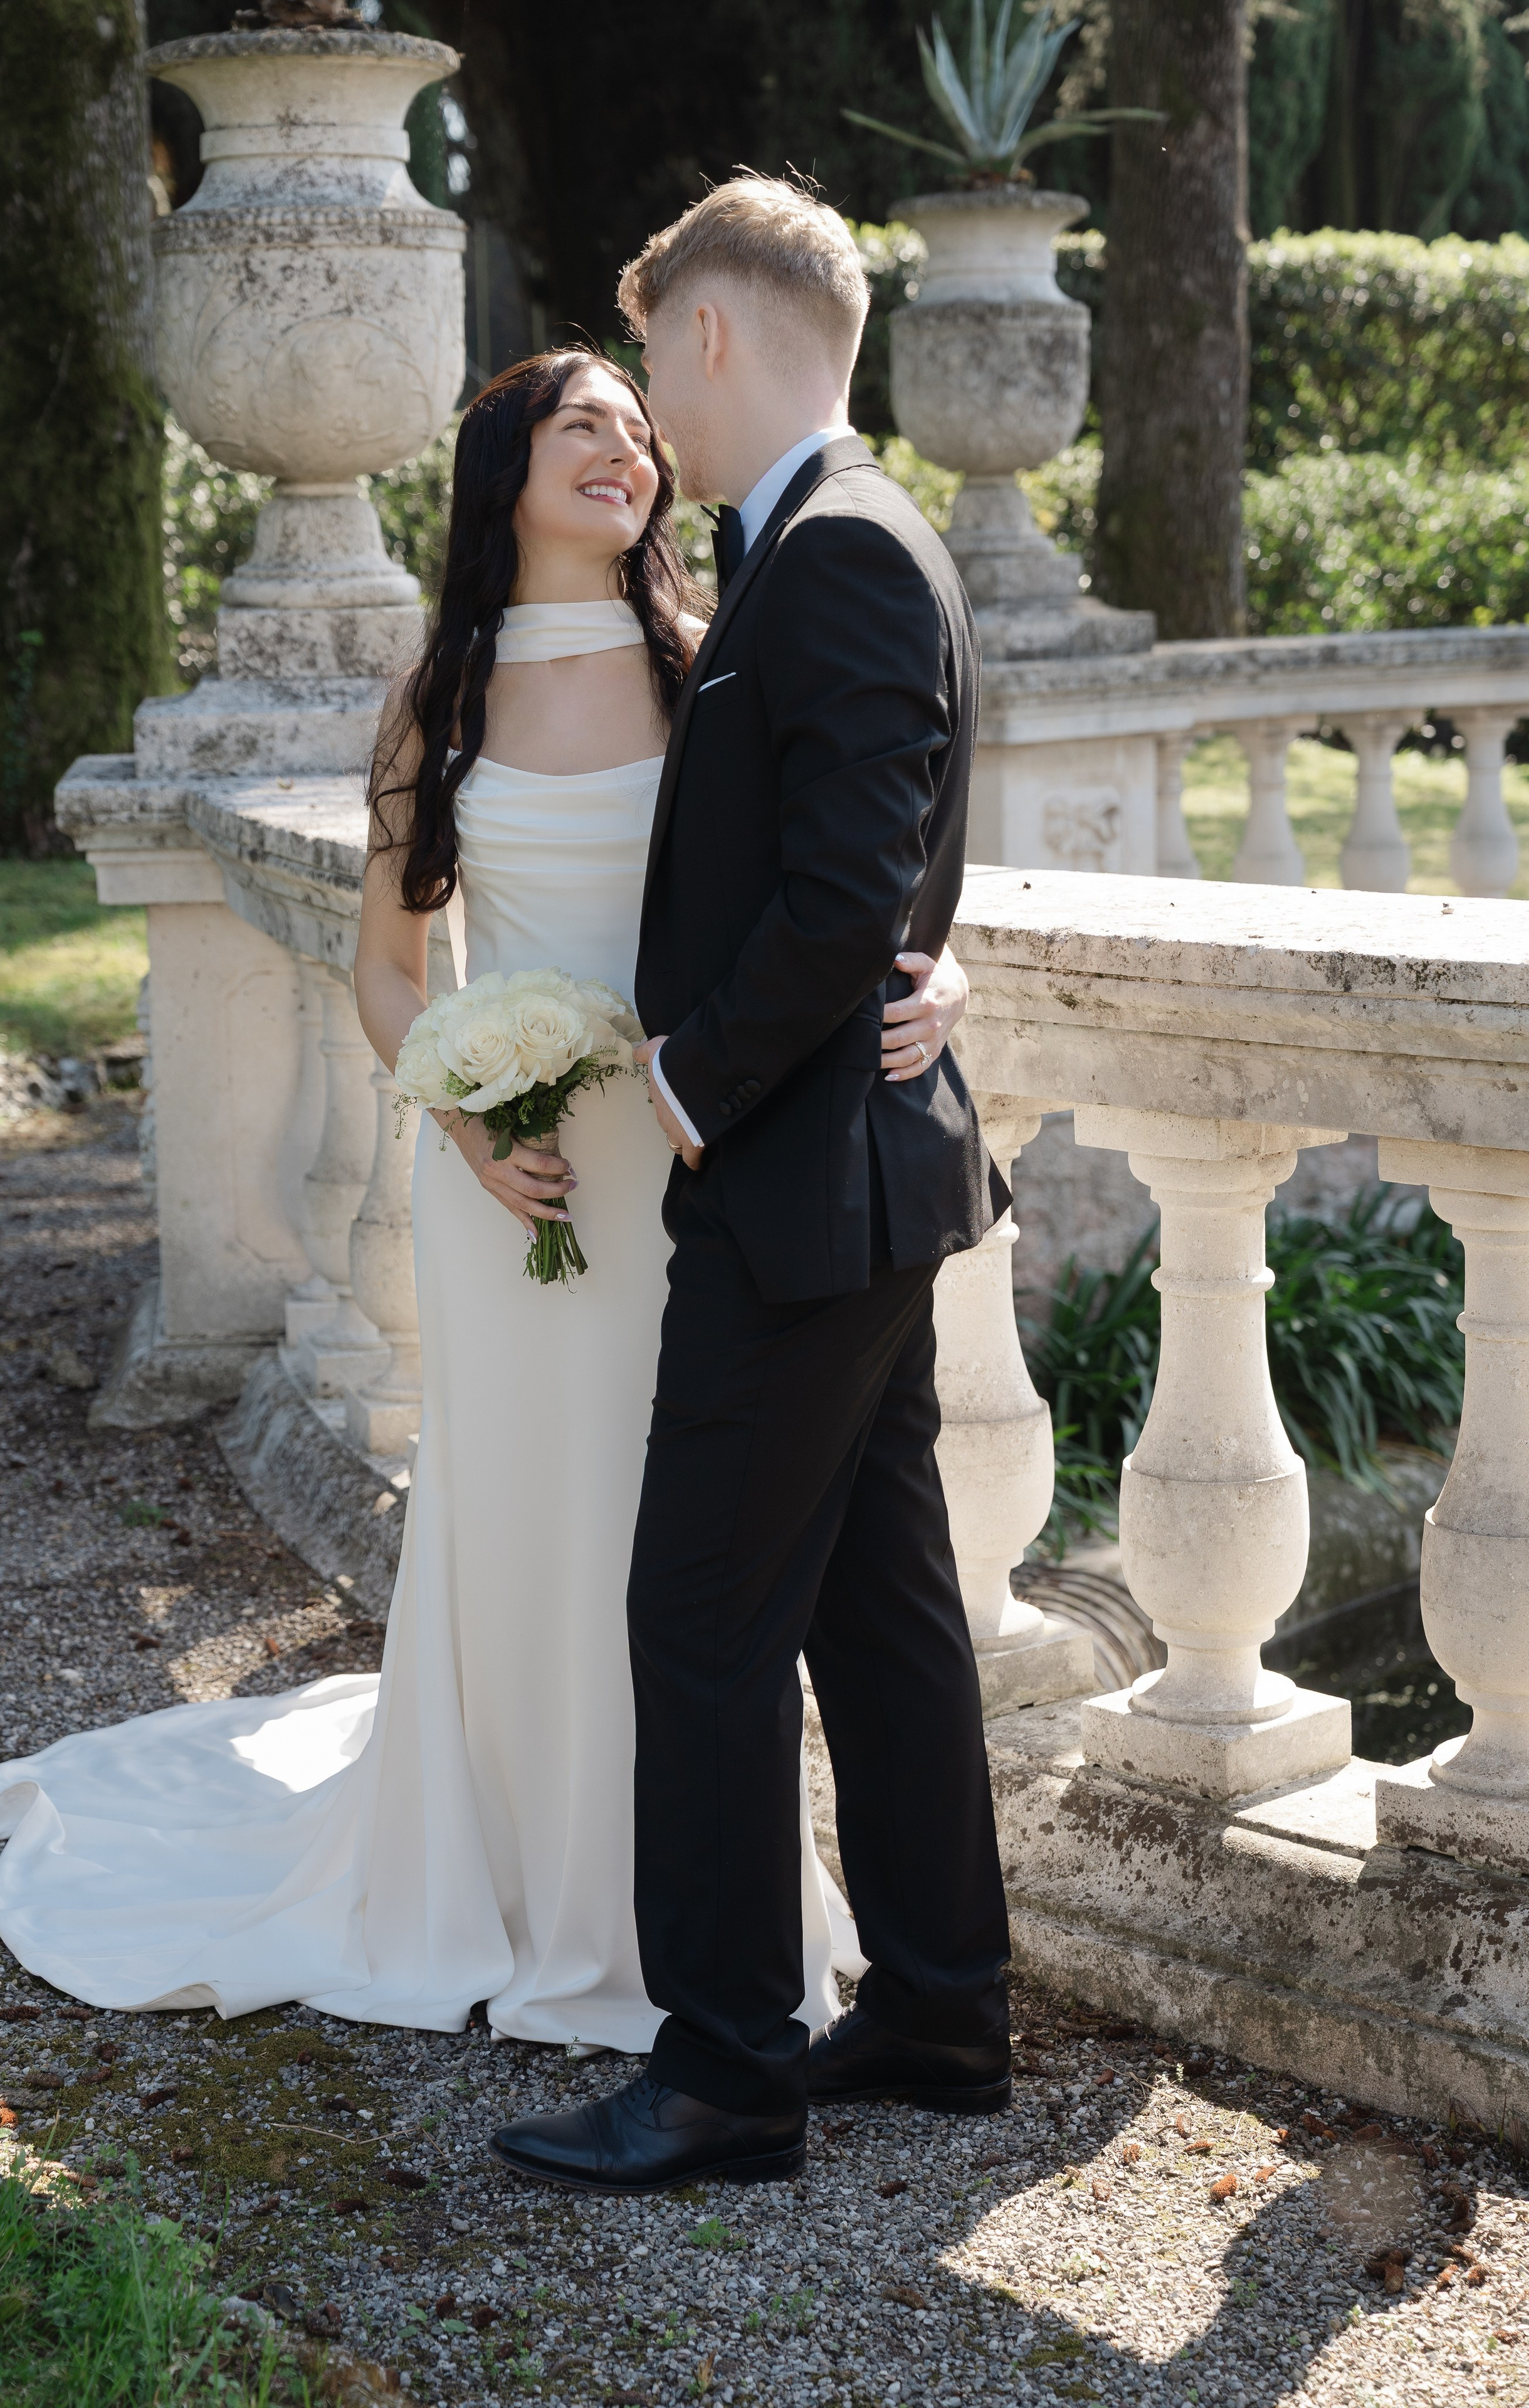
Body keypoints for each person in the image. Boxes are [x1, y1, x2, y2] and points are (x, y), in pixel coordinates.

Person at [0, 342, 968, 2051]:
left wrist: (954, 979)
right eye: (586, 424)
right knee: (533, 1529)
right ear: (505, 467)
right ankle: (505, 1878)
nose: (628, 451)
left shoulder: (702, 663)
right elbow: (386, 970)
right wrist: (473, 1123)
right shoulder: (439, 696)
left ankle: (679, 1916)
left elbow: (858, 855)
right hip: (512, 1190)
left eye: (643, 431)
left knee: (683, 1561)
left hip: (698, 1172)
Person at [491, 176, 1014, 2197]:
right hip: (852, 1189)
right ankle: (947, 2005)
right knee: (879, 1613)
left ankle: (721, 2070)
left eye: (656, 364)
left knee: (698, 1615)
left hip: (803, 1192)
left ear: (713, 335)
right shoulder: (805, 544)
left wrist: (687, 1088)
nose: (651, 412)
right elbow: (866, 862)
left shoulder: (847, 549)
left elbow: (845, 888)